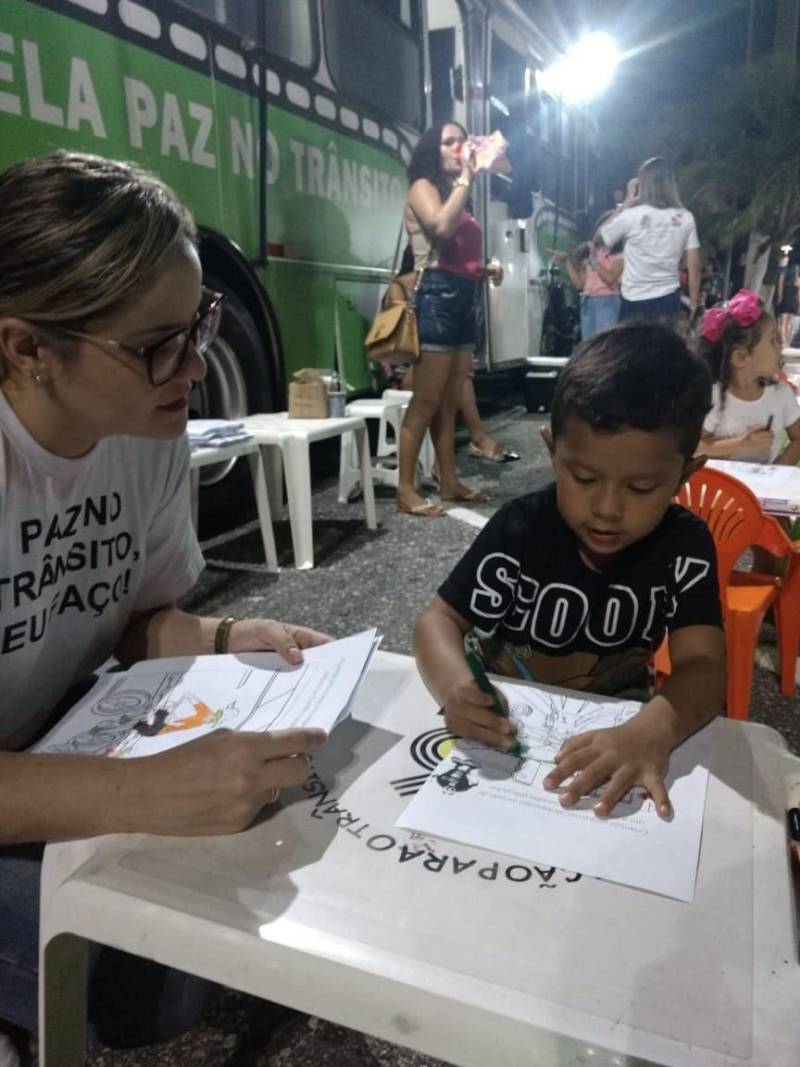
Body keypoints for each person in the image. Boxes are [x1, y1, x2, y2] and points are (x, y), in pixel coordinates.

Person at [0, 151, 330, 1063]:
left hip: (49, 747)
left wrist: (224, 637)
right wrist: (146, 790)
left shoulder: (146, 430)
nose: (195, 365)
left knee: (196, 927)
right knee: (138, 957)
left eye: (200, 325)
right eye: (156, 344)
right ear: (26, 347)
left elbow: (136, 616)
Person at [414, 323, 726, 820]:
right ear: (552, 451)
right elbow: (437, 620)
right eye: (583, 478)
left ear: (684, 477)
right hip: (503, 739)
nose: (606, 509)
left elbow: (705, 668)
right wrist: (454, 686)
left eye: (642, 488)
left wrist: (654, 729)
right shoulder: (521, 527)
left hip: (623, 738)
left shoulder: (684, 546)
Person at [397, 121, 501, 517]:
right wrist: (467, 177)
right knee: (425, 401)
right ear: (433, 149)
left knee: (448, 404)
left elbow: (461, 256)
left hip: (462, 297)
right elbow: (439, 227)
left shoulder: (456, 191)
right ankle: (405, 490)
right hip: (436, 297)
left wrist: (484, 270)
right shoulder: (423, 187)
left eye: (462, 140)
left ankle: (450, 481)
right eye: (449, 141)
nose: (459, 146)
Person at [698, 289, 800, 464]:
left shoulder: (780, 395)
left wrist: (778, 469)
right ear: (740, 357)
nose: (780, 346)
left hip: (762, 490)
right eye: (773, 340)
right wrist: (742, 444)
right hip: (723, 489)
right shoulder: (714, 397)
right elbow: (695, 448)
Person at [600, 157, 701, 327]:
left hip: (633, 301)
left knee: (630, 353)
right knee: (663, 352)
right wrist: (693, 303)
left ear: (643, 184)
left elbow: (598, 238)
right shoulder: (685, 217)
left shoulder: (631, 216)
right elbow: (694, 265)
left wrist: (625, 203)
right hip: (668, 300)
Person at [551, 211, 623, 339]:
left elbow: (610, 278)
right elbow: (580, 284)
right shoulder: (592, 251)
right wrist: (567, 261)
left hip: (606, 300)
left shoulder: (619, 254)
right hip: (587, 300)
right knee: (588, 346)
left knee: (603, 345)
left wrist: (593, 261)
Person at [775, 258, 799, 348]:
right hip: (793, 297)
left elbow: (780, 283)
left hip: (785, 295)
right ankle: (788, 342)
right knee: (790, 322)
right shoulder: (796, 269)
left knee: (783, 321)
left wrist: (779, 296)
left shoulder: (784, 270)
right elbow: (798, 284)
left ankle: (783, 341)